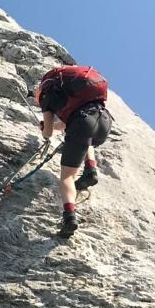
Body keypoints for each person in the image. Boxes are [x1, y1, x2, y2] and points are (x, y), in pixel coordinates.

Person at [35, 65, 112, 238]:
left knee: (67, 177)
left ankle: (69, 218)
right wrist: (51, 126)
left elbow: (48, 133)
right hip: (104, 121)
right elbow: (64, 125)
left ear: (40, 91)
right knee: (85, 139)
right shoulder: (73, 93)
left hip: (82, 124)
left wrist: (44, 127)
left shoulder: (47, 96)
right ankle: (90, 169)